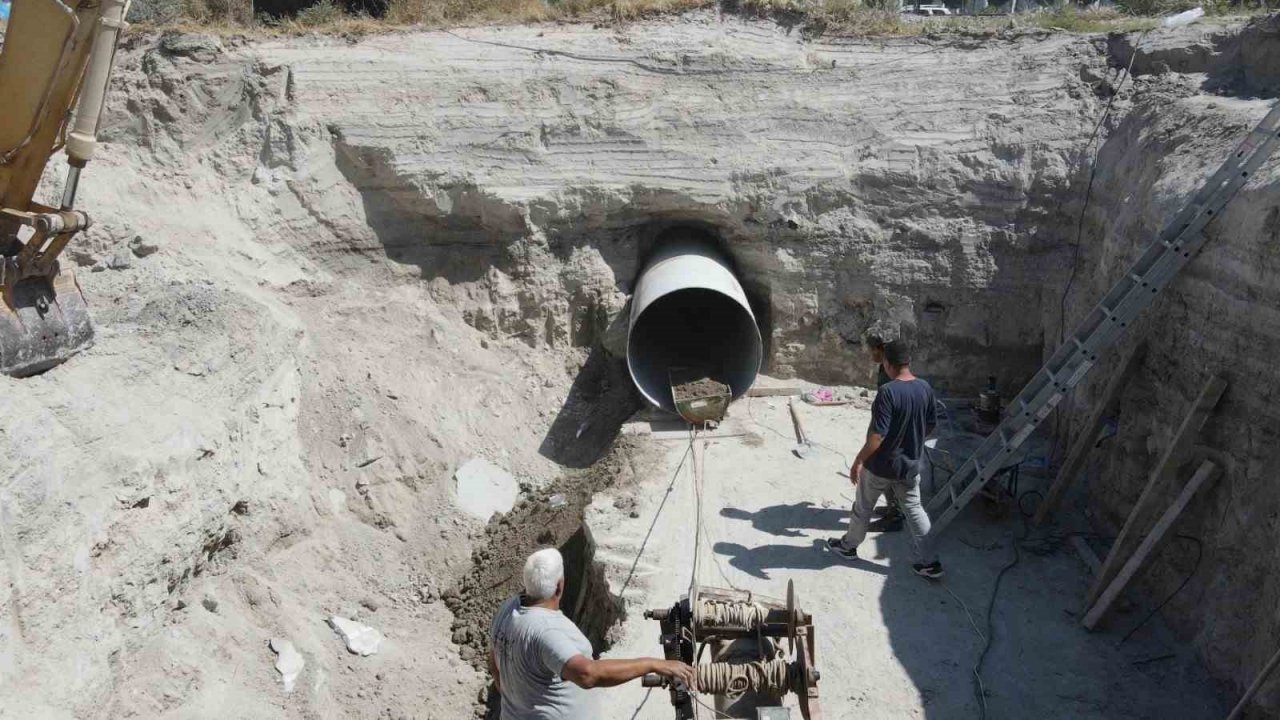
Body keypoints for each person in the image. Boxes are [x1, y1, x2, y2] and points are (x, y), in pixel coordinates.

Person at [489, 548, 697, 719]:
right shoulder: (546, 631)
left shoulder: (507, 610)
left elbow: (494, 664)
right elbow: (587, 674)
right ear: (559, 586)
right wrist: (654, 664)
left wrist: (518, 700)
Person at [827, 338, 943, 579]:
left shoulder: (888, 392)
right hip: (910, 466)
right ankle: (931, 563)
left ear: (888, 364)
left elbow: (877, 436)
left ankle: (848, 547)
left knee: (862, 508)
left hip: (880, 466)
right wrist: (912, 440)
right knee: (915, 510)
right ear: (908, 362)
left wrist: (858, 461)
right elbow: (930, 424)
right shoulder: (925, 388)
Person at [861, 327, 905, 534]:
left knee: (887, 470)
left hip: (890, 431)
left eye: (872, 350)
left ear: (880, 349)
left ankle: (895, 515)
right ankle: (892, 507)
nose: (870, 355)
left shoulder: (891, 373)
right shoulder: (887, 366)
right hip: (888, 426)